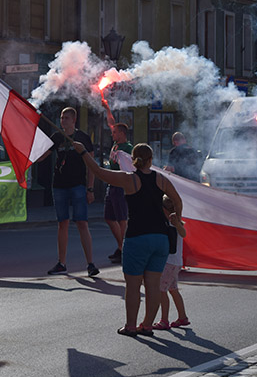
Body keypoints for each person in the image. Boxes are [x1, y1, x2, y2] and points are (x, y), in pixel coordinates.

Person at [73, 140, 183, 337]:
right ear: (150, 160)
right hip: (160, 238)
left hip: (137, 237)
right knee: (153, 285)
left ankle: (131, 326)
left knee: (133, 285)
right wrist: (177, 218)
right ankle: (147, 325)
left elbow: (98, 172)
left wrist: (83, 153)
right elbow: (177, 199)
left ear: (133, 160)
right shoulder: (161, 179)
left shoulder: (129, 179)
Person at [39, 107, 99, 277]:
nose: (62, 121)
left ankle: (90, 263)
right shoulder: (57, 137)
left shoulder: (83, 138)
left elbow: (91, 164)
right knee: (62, 223)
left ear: (74, 120)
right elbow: (42, 156)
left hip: (78, 186)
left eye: (66, 118)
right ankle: (62, 263)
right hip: (59, 185)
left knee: (82, 223)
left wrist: (90, 188)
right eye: (61, 117)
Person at [152, 195, 189, 331]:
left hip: (169, 262)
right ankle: (182, 317)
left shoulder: (173, 222)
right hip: (175, 262)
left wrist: (177, 223)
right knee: (173, 290)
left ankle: (164, 320)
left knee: (162, 291)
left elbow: (183, 233)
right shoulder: (172, 221)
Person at [103, 99, 133, 264]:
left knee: (122, 219)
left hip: (121, 186)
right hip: (112, 184)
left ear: (121, 133)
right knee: (109, 218)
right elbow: (111, 122)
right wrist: (107, 108)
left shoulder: (127, 148)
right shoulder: (115, 144)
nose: (112, 134)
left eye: (115, 133)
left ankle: (125, 249)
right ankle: (121, 246)